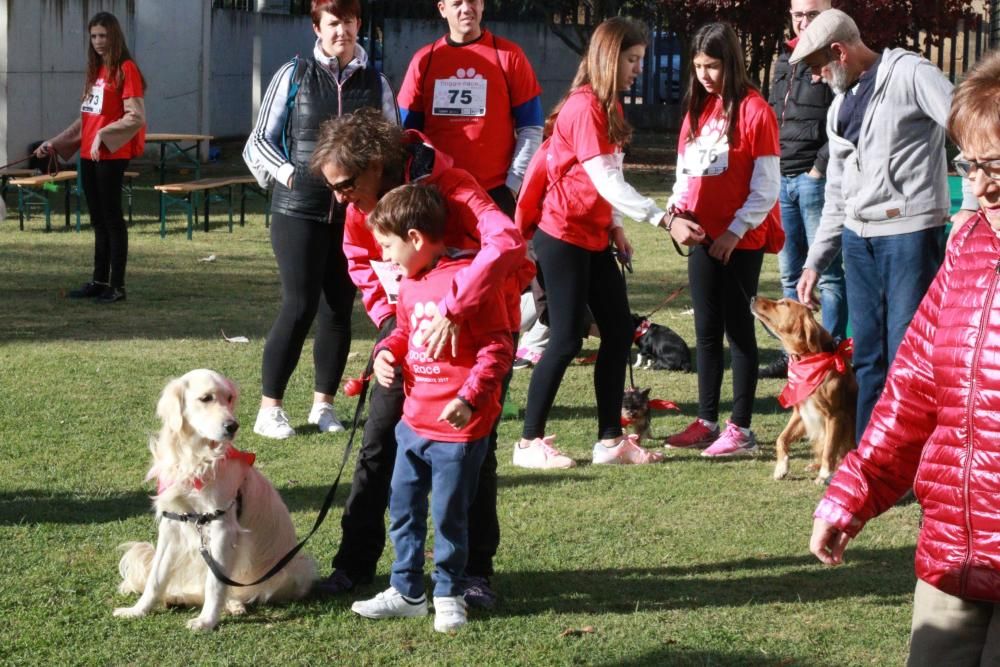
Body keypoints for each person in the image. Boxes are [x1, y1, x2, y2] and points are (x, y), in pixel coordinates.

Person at [809, 51, 1000, 665]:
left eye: (995, 166)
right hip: (955, 553)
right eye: (969, 165)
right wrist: (853, 493)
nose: (978, 186)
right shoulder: (968, 245)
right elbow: (913, 388)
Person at [309, 108, 532, 607]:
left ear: (377, 163)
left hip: (480, 337)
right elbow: (362, 266)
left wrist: (455, 306)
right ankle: (356, 564)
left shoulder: (452, 186)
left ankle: (474, 575)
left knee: (474, 451)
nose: (342, 198)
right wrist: (390, 334)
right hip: (409, 337)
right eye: (334, 189)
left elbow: (507, 241)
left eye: (346, 184)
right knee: (378, 441)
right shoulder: (356, 210)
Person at [513, 17, 696, 470]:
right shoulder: (583, 108)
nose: (638, 69)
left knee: (618, 331)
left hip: (593, 237)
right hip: (561, 237)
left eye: (640, 61)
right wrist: (664, 219)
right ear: (610, 58)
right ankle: (528, 442)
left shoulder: (607, 104)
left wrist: (614, 227)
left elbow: (605, 179)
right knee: (567, 338)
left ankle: (610, 441)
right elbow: (606, 180)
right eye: (632, 60)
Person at [791, 9, 978, 444]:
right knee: (869, 356)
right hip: (858, 241)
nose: (817, 77)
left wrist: (968, 205)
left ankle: (912, 457)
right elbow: (837, 191)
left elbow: (970, 126)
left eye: (819, 66)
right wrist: (815, 262)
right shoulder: (839, 106)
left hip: (910, 237)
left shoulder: (911, 74)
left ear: (840, 51)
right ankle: (872, 460)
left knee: (905, 355)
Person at [349, 183, 512, 634]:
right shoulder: (410, 285)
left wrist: (469, 398)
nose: (384, 257)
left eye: (387, 245)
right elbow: (404, 332)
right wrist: (387, 352)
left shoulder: (472, 281)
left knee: (449, 515)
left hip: (457, 431)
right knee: (402, 508)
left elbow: (498, 347)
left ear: (416, 238)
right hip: (412, 425)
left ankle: (449, 592)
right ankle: (406, 591)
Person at [242, 0, 398, 440]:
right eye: (333, 23)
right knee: (299, 305)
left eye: (348, 22)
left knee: (337, 311)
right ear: (317, 27)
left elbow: (393, 144)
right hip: (298, 211)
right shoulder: (293, 74)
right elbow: (259, 141)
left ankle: (323, 406)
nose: (341, 31)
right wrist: (294, 174)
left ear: (358, 25)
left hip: (356, 216)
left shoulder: (377, 82)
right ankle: (269, 408)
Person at [662, 22, 781, 457]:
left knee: (739, 332)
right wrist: (676, 213)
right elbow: (684, 176)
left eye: (711, 66)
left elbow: (767, 186)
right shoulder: (699, 111)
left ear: (730, 62)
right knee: (706, 332)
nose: (704, 76)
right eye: (697, 67)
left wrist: (735, 231)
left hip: (740, 242)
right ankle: (707, 420)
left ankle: (742, 429)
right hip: (701, 238)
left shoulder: (755, 110)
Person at [36, 11, 146, 305]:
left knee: (112, 219)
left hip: (111, 155)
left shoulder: (126, 69)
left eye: (103, 35)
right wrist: (55, 144)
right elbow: (85, 121)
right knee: (98, 219)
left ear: (114, 36)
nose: (98, 41)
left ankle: (117, 286)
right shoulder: (96, 71)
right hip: (89, 155)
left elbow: (135, 117)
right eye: (94, 36)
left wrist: (104, 135)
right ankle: (99, 280)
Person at [760, 0, 845, 380]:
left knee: (827, 275)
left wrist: (818, 169)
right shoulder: (783, 62)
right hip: (782, 180)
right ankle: (793, 355)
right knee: (789, 274)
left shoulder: (833, 60)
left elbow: (844, 119)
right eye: (798, 14)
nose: (803, 21)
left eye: (812, 14)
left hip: (814, 182)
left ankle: (833, 350)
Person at [396, 0, 543, 217]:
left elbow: (531, 128)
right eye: (456, 3)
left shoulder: (510, 56)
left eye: (472, 1)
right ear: (442, 9)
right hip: (437, 196)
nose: (466, 9)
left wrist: (513, 186)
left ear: (482, 5)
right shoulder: (423, 61)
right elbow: (406, 134)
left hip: (495, 195)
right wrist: (420, 184)